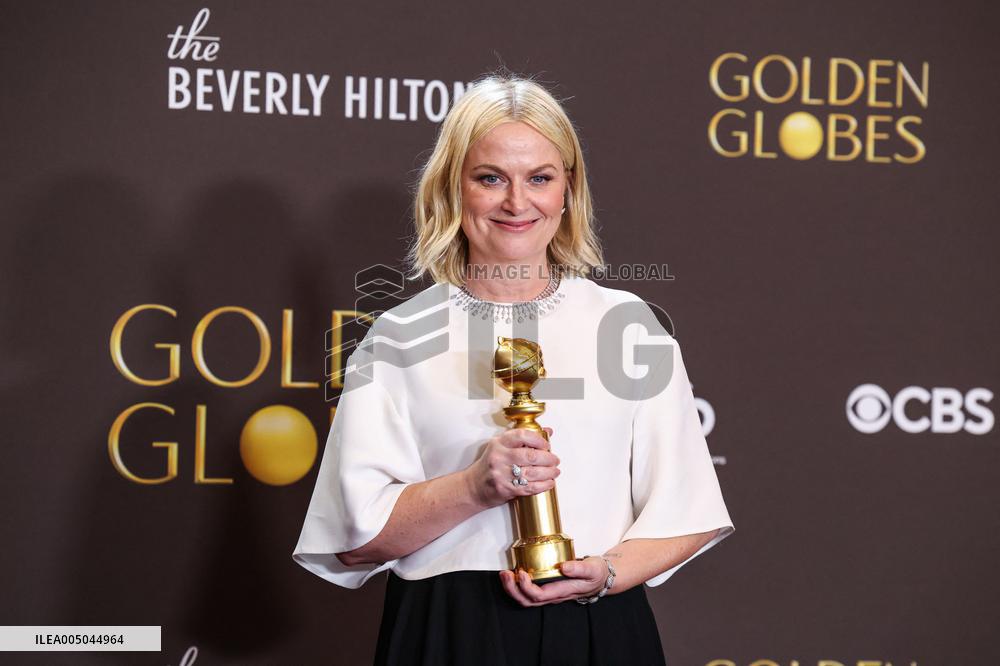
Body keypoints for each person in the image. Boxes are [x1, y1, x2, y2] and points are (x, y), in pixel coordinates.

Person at [293, 72, 734, 665]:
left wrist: (604, 574)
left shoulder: (628, 326)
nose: (517, 203)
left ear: (568, 190)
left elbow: (692, 512)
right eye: (490, 178)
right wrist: (474, 487)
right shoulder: (397, 338)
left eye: (540, 178)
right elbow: (355, 541)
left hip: (598, 627)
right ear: (453, 187)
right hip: (447, 632)